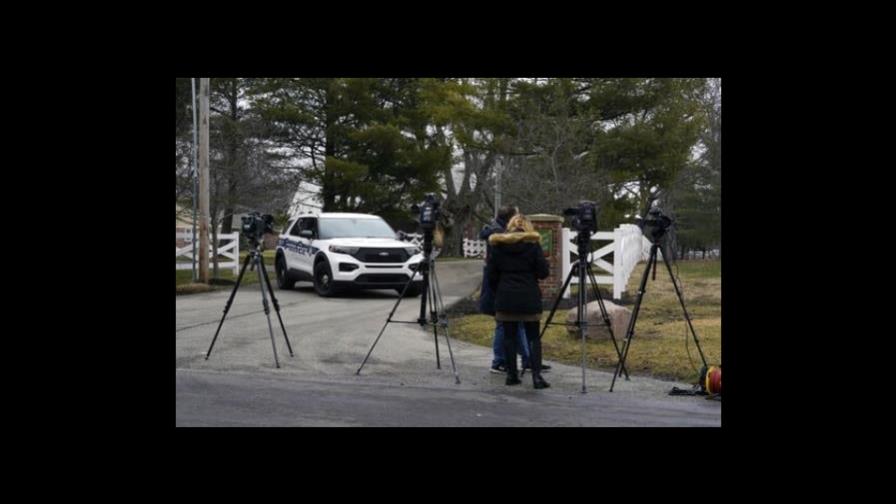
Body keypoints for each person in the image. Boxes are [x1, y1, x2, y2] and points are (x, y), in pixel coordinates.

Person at [486, 214, 551, 388]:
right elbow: (543, 272)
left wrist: (499, 289)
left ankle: (512, 375)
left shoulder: (498, 246)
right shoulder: (533, 245)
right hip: (529, 295)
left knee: (509, 336)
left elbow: (491, 275)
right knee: (533, 338)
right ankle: (537, 377)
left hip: (506, 295)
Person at [479, 205, 530, 374]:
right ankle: (501, 360)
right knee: (506, 323)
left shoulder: (495, 233)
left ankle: (525, 358)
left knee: (513, 323)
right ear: (510, 218)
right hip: (502, 287)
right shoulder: (501, 238)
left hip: (500, 286)